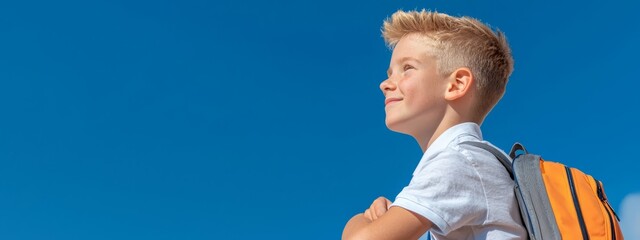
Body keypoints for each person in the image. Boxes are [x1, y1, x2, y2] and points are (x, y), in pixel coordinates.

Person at [342, 9, 527, 240]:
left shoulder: (458, 161)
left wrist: (363, 220)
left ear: (456, 84)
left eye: (407, 68)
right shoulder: (477, 161)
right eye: (390, 73)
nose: (385, 84)